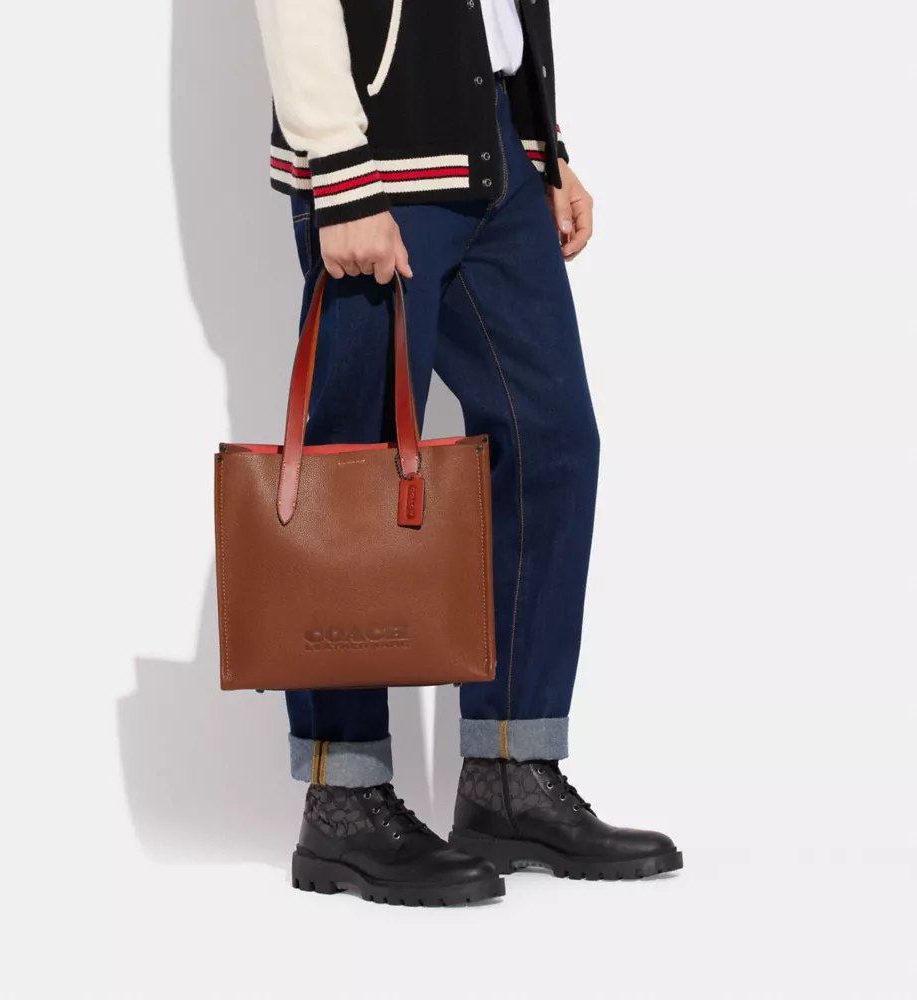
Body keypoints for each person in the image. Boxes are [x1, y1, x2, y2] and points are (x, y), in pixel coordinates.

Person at [253, 0, 682, 905]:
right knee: (357, 473)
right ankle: (343, 799)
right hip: (379, 158)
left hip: (495, 148)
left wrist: (541, 139)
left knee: (552, 442)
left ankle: (509, 780)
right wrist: (338, 168)